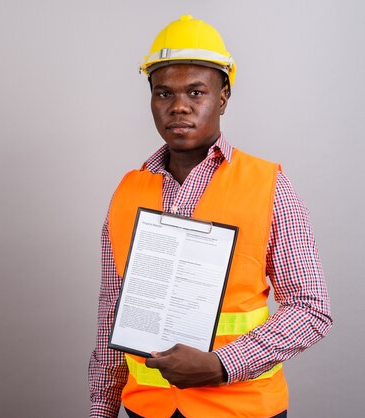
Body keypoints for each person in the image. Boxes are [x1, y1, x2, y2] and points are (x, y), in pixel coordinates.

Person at [88, 15, 332, 418]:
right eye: (164, 93)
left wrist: (222, 364)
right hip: (146, 410)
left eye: (196, 92)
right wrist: (102, 408)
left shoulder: (268, 186)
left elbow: (311, 308)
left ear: (223, 97)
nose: (179, 106)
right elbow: (110, 315)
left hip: (242, 409)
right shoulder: (127, 192)